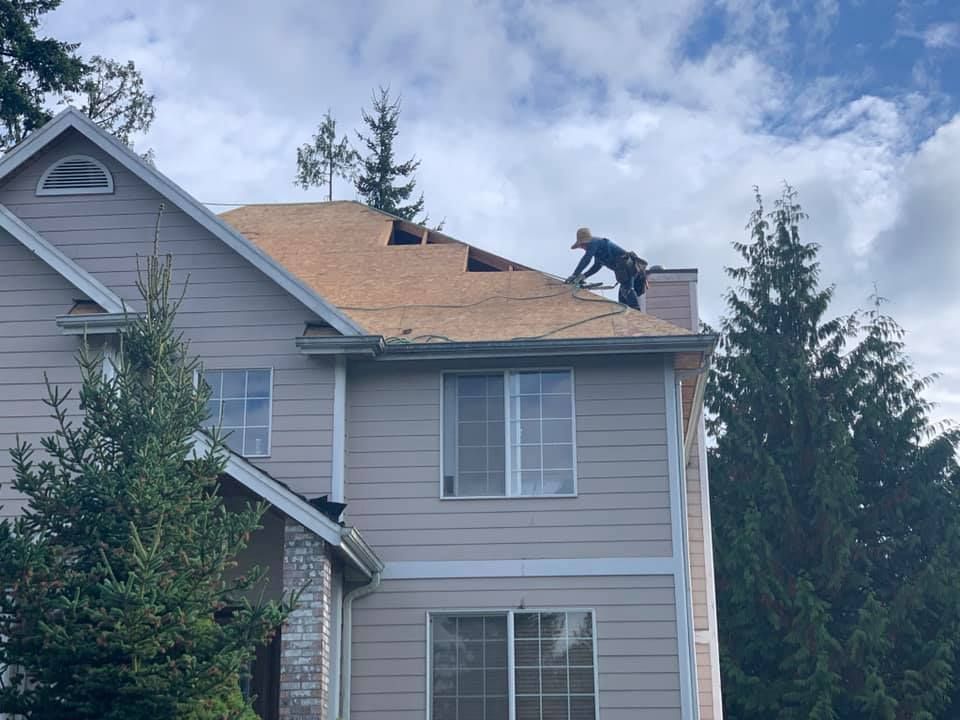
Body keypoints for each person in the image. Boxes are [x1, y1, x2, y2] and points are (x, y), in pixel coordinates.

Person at [565, 227, 648, 309]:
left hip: (627, 267)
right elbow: (596, 266)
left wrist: (574, 275)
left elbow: (586, 259)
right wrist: (583, 276)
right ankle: (630, 315)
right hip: (626, 269)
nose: (582, 248)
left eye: (582, 245)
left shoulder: (594, 243)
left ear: (585, 243)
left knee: (627, 291)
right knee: (622, 299)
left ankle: (637, 313)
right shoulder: (599, 249)